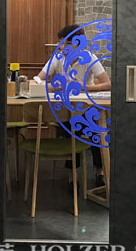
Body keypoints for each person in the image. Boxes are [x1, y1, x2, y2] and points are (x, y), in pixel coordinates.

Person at [37, 24, 111, 186]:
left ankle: (100, 172)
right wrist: (54, 86)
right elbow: (37, 80)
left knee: (97, 129)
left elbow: (107, 84)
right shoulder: (57, 58)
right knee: (70, 127)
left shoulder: (89, 57)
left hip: (86, 108)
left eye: (67, 43)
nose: (62, 47)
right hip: (65, 110)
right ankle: (73, 175)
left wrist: (85, 87)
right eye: (61, 43)